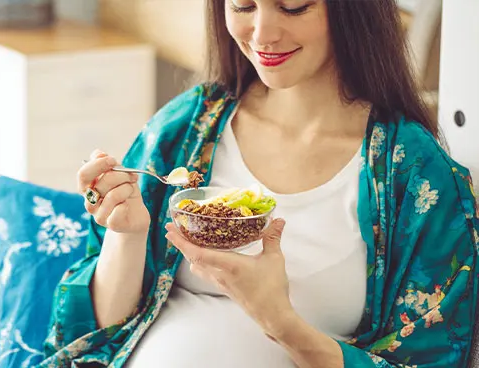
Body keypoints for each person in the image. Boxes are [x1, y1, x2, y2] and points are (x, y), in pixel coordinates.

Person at [40, 0, 479, 367]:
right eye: (243, 5)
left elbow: (433, 356)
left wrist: (279, 321)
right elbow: (97, 332)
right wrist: (126, 235)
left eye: (293, 6)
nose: (262, 34)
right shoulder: (189, 128)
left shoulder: (416, 176)